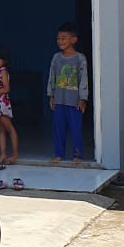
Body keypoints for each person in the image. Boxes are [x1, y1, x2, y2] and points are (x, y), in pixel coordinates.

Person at [47, 22, 89, 164]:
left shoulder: (80, 58)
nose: (60, 41)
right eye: (58, 38)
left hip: (74, 101)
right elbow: (51, 77)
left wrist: (82, 98)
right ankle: (59, 153)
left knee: (76, 128)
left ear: (73, 40)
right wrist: (51, 95)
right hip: (59, 99)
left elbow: (83, 79)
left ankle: (78, 154)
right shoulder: (56, 58)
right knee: (58, 129)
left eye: (63, 38)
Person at [0, 48, 20, 183]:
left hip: (3, 103)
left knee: (9, 129)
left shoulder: (3, 72)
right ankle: (3, 154)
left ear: (4, 61)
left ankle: (14, 154)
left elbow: (6, 88)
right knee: (0, 130)